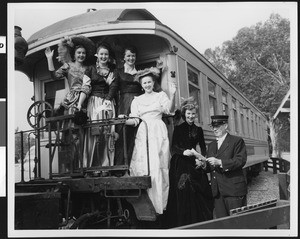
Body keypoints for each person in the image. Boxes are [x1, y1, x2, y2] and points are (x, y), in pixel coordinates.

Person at [125, 67, 176, 215]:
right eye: (144, 83)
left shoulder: (160, 96)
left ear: (153, 83)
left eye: (149, 82)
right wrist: (124, 120)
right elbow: (134, 120)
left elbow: (169, 110)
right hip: (143, 132)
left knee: (159, 167)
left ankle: (159, 206)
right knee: (144, 166)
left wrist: (173, 95)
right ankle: (145, 205)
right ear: (141, 85)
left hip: (158, 131)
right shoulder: (137, 100)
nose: (147, 85)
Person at [165, 97, 213, 228]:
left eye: (193, 114)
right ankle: (183, 223)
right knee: (183, 190)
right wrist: (183, 152)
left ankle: (198, 222)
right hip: (180, 163)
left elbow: (203, 146)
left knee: (199, 190)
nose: (191, 116)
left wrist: (201, 159)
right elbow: (173, 146)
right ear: (184, 114)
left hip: (194, 162)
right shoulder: (178, 129)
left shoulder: (199, 130)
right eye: (188, 114)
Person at [83, 42, 119, 168]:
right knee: (95, 132)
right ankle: (93, 166)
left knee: (107, 132)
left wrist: (108, 99)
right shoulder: (90, 69)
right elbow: (86, 86)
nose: (104, 56)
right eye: (101, 54)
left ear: (108, 56)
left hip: (107, 103)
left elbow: (114, 87)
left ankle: (106, 165)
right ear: (97, 55)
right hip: (94, 104)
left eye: (106, 54)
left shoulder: (113, 70)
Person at [206, 115, 247, 218]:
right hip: (217, 192)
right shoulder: (211, 145)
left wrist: (220, 162)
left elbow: (240, 161)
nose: (215, 129)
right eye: (213, 126)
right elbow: (210, 167)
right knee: (222, 225)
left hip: (233, 191)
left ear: (225, 126)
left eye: (218, 126)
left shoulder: (237, 141)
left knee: (237, 223)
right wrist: (203, 165)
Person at [45, 35, 96, 114]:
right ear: (74, 55)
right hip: (71, 100)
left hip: (86, 100)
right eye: (79, 53)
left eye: (83, 53)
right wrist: (49, 59)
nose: (81, 55)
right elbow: (55, 77)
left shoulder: (88, 69)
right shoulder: (68, 66)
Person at [114, 46, 143, 166]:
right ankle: (121, 166)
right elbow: (114, 88)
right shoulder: (118, 72)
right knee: (122, 133)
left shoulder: (140, 73)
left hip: (138, 104)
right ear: (124, 58)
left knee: (137, 134)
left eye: (133, 55)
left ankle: (135, 166)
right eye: (128, 56)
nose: (131, 58)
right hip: (124, 103)